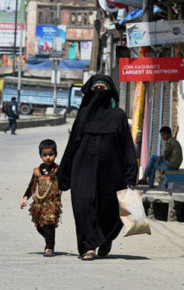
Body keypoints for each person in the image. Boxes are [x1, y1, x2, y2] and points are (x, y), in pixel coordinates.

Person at [57, 74, 138, 261]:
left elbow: (127, 147)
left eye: (103, 88)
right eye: (96, 88)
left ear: (110, 92)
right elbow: (72, 146)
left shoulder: (118, 116)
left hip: (112, 173)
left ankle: (106, 238)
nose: (99, 92)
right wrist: (64, 175)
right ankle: (88, 247)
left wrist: (129, 177)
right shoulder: (83, 116)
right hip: (82, 171)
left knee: (109, 208)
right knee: (84, 206)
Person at [20, 139, 62, 257]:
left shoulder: (58, 170)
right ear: (40, 156)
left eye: (51, 154)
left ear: (55, 155)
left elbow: (65, 182)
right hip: (38, 203)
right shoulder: (37, 171)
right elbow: (31, 186)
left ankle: (49, 247)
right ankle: (49, 239)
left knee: (49, 223)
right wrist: (25, 198)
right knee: (40, 226)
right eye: (45, 155)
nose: (48, 157)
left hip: (52, 203)